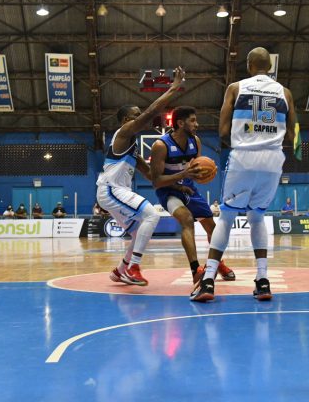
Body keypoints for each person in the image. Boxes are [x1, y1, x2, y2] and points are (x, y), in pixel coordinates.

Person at [191, 47, 297, 302]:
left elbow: (222, 132)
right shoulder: (285, 92)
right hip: (273, 160)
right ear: (270, 66)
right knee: (257, 217)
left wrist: (245, 140)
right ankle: (262, 280)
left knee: (226, 217)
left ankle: (208, 281)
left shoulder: (235, 88)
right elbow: (294, 135)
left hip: (244, 157)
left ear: (249, 65)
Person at [99, 67, 186, 287]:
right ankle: (134, 267)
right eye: (136, 115)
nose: (140, 118)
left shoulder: (131, 149)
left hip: (114, 192)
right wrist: (173, 88)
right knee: (151, 216)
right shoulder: (122, 133)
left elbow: (151, 176)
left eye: (139, 115)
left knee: (138, 233)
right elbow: (151, 112)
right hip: (111, 189)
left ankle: (121, 270)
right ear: (126, 120)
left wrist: (177, 185)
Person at [149, 106, 235, 283]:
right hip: (169, 191)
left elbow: (197, 168)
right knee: (187, 220)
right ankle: (196, 270)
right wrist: (183, 175)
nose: (197, 124)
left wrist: (205, 172)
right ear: (181, 123)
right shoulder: (161, 146)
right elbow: (156, 181)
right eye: (193, 120)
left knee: (213, 229)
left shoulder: (195, 141)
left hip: (189, 188)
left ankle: (217, 263)